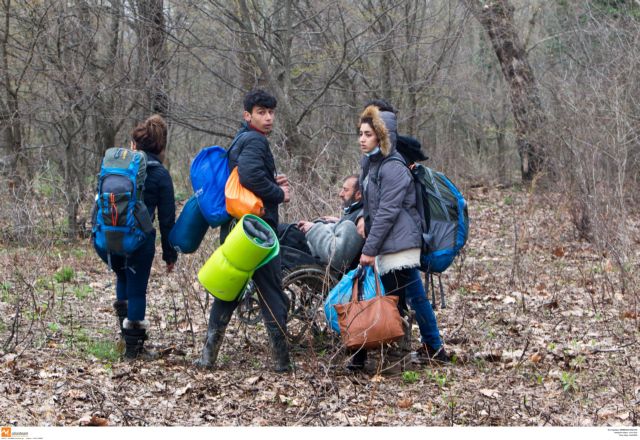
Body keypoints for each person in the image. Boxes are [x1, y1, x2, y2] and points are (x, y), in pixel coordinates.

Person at [194, 89, 293, 373]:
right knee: (272, 292)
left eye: (271, 112)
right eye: (261, 112)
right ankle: (283, 363)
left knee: (230, 290)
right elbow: (249, 176)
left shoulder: (241, 139)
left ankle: (208, 357)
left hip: (237, 229)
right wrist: (278, 193)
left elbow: (247, 177)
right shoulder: (255, 141)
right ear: (247, 115)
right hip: (256, 233)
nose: (268, 118)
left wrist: (270, 180)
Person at [350, 104, 449, 370]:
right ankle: (420, 349)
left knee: (390, 301)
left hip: (399, 247)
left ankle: (387, 358)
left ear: (382, 136)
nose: (362, 139)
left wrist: (369, 250)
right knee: (395, 298)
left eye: (368, 134)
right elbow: (371, 209)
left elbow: (386, 213)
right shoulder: (372, 164)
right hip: (389, 244)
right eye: (360, 133)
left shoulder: (393, 167)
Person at [96, 114, 177, 361]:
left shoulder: (117, 170)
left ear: (135, 145)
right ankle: (133, 351)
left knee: (122, 275)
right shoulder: (161, 175)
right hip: (139, 242)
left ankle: (125, 337)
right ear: (161, 146)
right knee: (137, 290)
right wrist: (170, 254)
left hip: (109, 239)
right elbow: (166, 220)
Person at [296, 175, 364, 271]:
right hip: (315, 256)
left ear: (359, 194)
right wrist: (339, 221)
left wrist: (313, 229)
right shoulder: (355, 214)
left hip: (321, 264)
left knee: (287, 233)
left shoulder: (358, 220)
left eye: (346, 190)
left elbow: (336, 257)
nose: (341, 193)